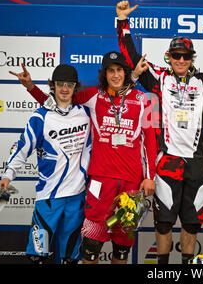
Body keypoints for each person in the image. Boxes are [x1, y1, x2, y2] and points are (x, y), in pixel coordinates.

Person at [115, 0, 203, 264]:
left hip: (196, 164)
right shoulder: (160, 77)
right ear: (168, 57)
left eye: (186, 56)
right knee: (164, 224)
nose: (181, 60)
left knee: (192, 226)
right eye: (176, 55)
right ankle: (162, 268)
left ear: (192, 59)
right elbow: (131, 59)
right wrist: (123, 22)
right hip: (167, 161)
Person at [10, 51, 157, 264]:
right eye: (110, 71)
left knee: (122, 243)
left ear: (125, 73)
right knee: (91, 243)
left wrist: (149, 176)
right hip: (100, 180)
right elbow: (59, 103)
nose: (115, 75)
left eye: (119, 71)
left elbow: (150, 142)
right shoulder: (93, 96)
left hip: (131, 181)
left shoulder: (142, 100)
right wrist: (31, 88)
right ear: (104, 75)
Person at [0, 64, 91, 264]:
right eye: (60, 84)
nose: (65, 89)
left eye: (69, 84)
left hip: (76, 198)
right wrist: (8, 174)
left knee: (70, 258)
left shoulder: (86, 114)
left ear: (76, 87)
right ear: (53, 85)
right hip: (48, 198)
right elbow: (22, 147)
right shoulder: (40, 117)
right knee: (36, 256)